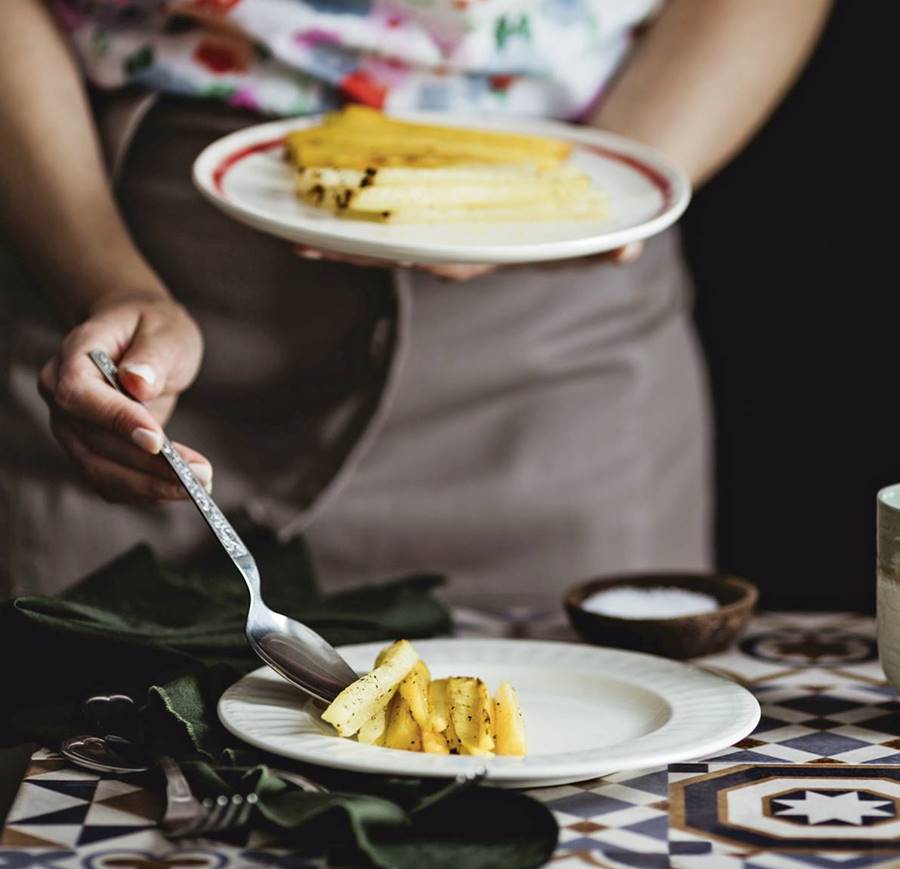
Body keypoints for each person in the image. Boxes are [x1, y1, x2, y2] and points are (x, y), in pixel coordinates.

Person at [0, 0, 830, 615]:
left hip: (559, 345)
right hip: (125, 250)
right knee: (104, 793)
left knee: (596, 802)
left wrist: (592, 190)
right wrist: (108, 279)